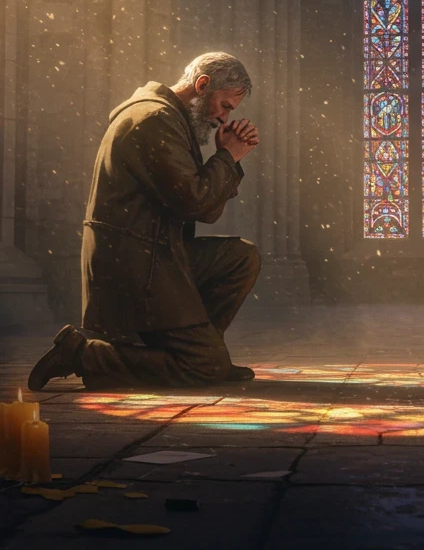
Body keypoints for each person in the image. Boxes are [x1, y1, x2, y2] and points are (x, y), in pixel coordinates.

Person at [28, 52, 261, 391]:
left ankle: (201, 350)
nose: (223, 118)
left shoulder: (171, 119)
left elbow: (206, 210)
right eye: (224, 106)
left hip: (156, 254)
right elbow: (195, 201)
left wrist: (228, 159)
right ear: (202, 85)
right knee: (206, 367)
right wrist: (228, 155)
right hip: (134, 265)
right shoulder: (154, 119)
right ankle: (82, 354)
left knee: (241, 257)